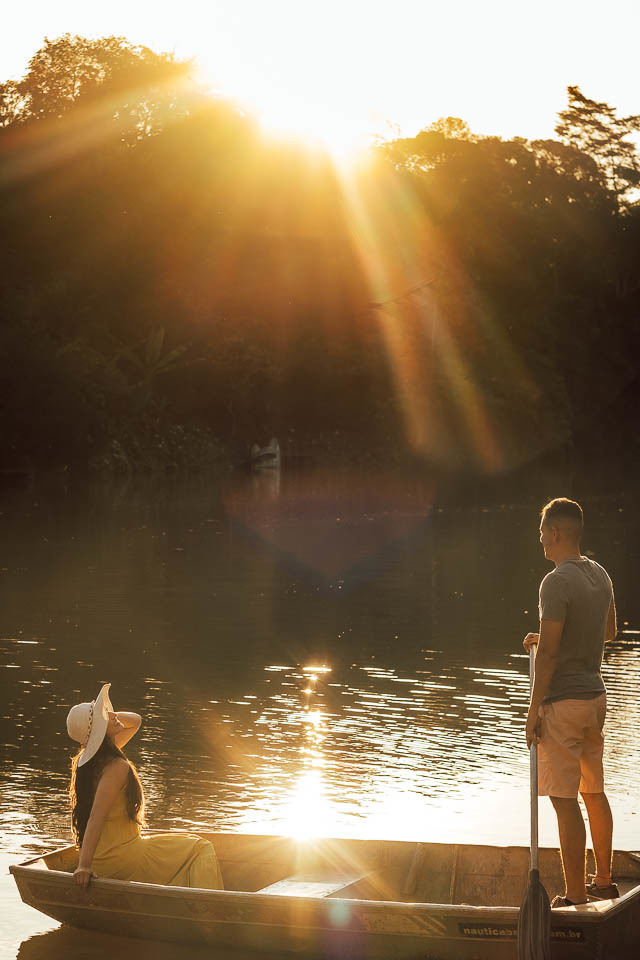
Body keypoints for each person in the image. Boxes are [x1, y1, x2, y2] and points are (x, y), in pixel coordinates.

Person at [523, 497, 618, 908]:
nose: (541, 538)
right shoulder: (600, 575)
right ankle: (603, 881)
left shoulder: (555, 581)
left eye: (543, 531)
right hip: (595, 700)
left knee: (564, 801)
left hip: (563, 704)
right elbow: (609, 631)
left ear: (556, 533)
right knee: (593, 791)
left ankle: (576, 895)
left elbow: (548, 657)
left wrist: (532, 710)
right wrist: (546, 638)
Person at [66, 683, 224, 890]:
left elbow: (135, 721)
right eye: (104, 715)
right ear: (99, 730)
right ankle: (209, 910)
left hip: (105, 854)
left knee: (191, 849)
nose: (112, 715)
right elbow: (96, 816)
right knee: (201, 848)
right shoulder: (116, 766)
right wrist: (83, 866)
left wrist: (105, 717)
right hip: (121, 855)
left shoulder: (92, 761)